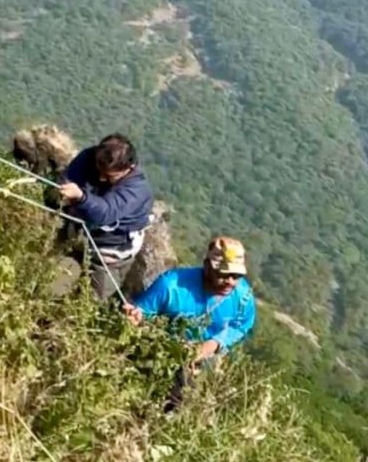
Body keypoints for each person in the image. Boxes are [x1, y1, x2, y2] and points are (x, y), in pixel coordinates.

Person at [122, 236, 257, 412]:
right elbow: (142, 312)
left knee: (193, 401)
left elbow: (241, 326)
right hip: (164, 349)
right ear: (207, 266)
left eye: (236, 276)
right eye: (223, 274)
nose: (230, 281)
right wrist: (135, 318)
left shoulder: (243, 296)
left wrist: (213, 345)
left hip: (208, 353)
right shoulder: (171, 286)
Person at [52, 133, 155, 301]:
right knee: (50, 287)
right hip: (77, 239)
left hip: (109, 255)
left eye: (109, 176)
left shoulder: (137, 189)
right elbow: (69, 178)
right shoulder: (88, 158)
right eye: (99, 171)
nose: (101, 178)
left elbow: (105, 213)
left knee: (88, 302)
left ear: (129, 168)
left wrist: (81, 197)